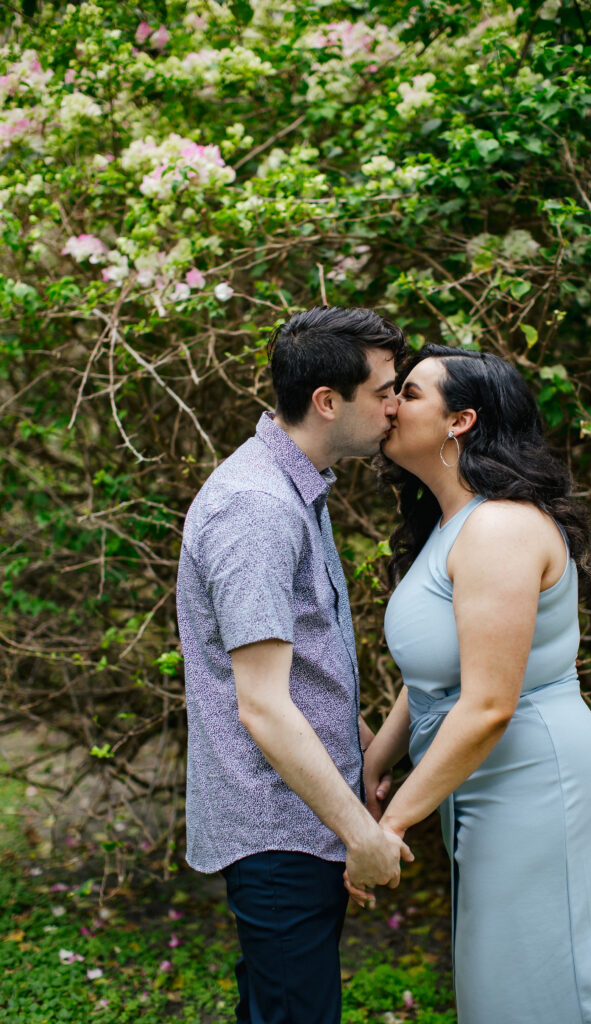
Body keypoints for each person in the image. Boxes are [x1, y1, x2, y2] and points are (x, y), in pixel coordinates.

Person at [349, 344, 591, 1024]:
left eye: (411, 393)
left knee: (541, 984)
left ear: (461, 420)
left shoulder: (500, 528)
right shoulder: (454, 524)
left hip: (534, 780)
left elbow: (486, 706)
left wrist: (386, 829)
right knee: (498, 986)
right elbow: (438, 676)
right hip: (483, 781)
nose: (390, 406)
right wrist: (370, 767)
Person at [176, 305, 413, 1024]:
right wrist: (359, 833)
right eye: (384, 390)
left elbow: (301, 664)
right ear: (326, 401)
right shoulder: (256, 509)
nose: (396, 406)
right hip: (279, 828)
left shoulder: (293, 485)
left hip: (301, 813)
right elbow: (263, 704)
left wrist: (364, 746)